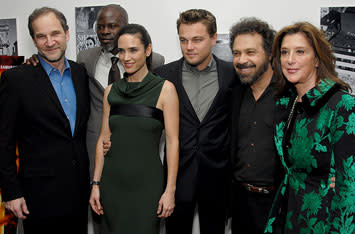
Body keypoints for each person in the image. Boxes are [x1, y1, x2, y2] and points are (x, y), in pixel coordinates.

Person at [0, 7, 90, 234]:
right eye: (41, 36)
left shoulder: (80, 73)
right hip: (38, 195)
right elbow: (4, 141)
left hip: (79, 191)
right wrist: (11, 192)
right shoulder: (16, 79)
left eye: (55, 34)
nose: (50, 42)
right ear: (34, 40)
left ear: (67, 34)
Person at [264, 22, 355, 234]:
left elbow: (349, 187)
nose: (290, 60)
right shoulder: (287, 102)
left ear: (317, 58)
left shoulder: (342, 105)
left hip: (324, 222)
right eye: (284, 52)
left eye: (300, 52)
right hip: (289, 216)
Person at [89, 23, 179, 234]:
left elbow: (173, 142)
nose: (126, 57)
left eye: (133, 50)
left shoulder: (165, 90)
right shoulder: (111, 91)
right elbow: (103, 138)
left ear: (147, 50)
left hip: (147, 185)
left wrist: (170, 190)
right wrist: (96, 183)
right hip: (112, 183)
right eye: (121, 50)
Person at [154, 9, 237, 234]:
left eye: (197, 40)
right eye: (183, 40)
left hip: (218, 178)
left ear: (213, 38)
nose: (189, 47)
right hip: (177, 178)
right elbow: (149, 122)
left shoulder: (232, 74)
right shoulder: (163, 75)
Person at [229, 17, 280, 234]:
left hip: (278, 203)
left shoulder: (289, 94)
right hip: (240, 202)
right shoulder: (235, 93)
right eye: (236, 53)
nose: (241, 60)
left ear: (269, 54)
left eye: (250, 52)